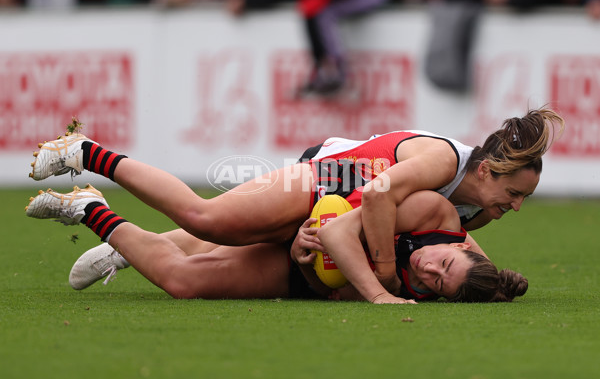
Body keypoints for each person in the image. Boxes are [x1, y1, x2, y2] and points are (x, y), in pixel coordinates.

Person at [26, 107, 562, 301]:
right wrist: (380, 282)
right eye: (514, 194)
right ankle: (83, 152)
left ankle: (97, 216)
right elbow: (375, 195)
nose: (515, 207)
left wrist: (498, 283)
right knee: (207, 220)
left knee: (194, 272)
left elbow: (436, 247)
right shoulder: (445, 162)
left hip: (329, 215)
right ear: (488, 169)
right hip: (324, 179)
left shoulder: (473, 211)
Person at [26, 183, 527, 303]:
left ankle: (87, 208)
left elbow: (332, 289)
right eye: (440, 263)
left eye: (434, 284)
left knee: (185, 280)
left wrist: (303, 259)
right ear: (461, 245)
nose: (427, 271)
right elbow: (366, 202)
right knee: (204, 225)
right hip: (314, 203)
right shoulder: (438, 216)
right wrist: (380, 286)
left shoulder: (422, 291)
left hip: (300, 265)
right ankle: (96, 169)